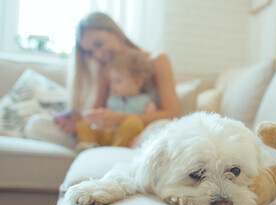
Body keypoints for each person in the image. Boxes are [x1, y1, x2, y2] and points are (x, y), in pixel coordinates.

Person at [25, 12, 179, 150]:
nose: (97, 55)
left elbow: (172, 114)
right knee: (36, 125)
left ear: (116, 33)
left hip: (143, 134)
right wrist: (75, 124)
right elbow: (95, 114)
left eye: (98, 44)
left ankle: (114, 149)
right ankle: (89, 145)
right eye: (90, 52)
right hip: (108, 134)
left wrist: (119, 118)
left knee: (162, 128)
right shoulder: (104, 68)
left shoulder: (157, 60)